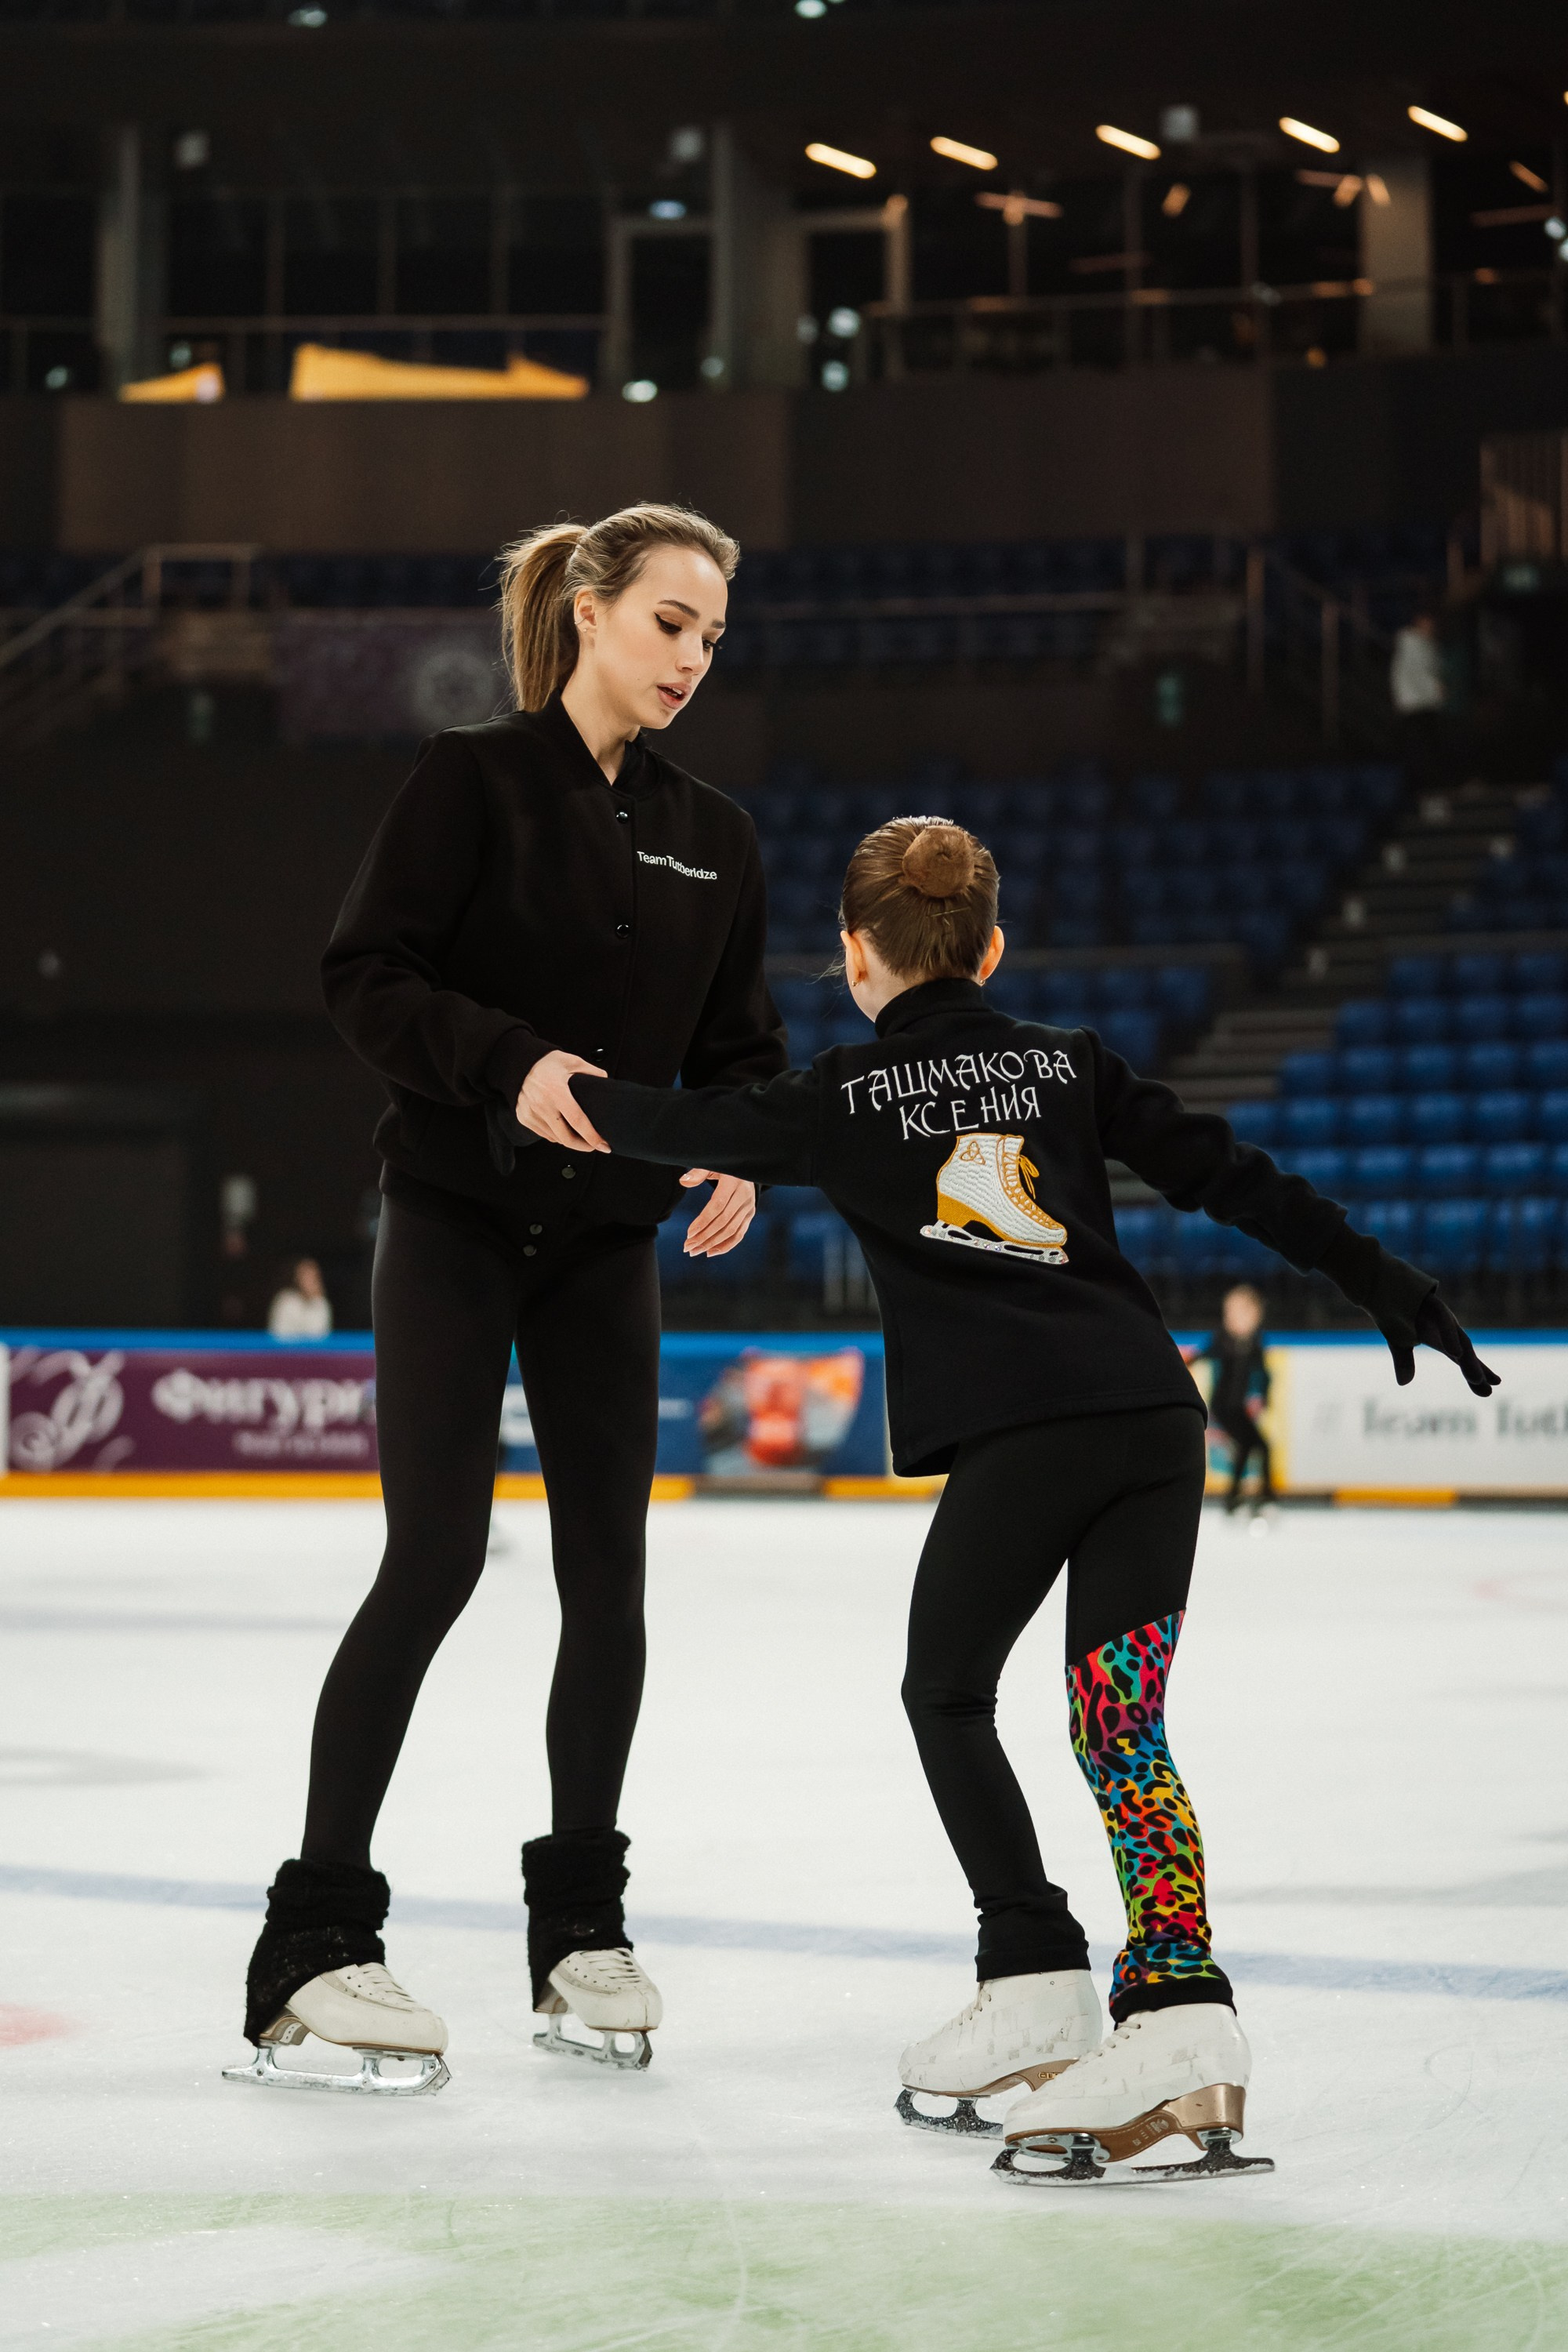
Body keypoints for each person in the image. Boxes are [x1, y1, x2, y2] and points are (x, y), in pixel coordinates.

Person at [542, 814, 1499, 2183]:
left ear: (855, 957)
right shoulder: (1068, 1064)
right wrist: (1391, 1284)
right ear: (992, 948)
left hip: (1028, 1439)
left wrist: (529, 1074)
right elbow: (1240, 1181)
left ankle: (1036, 1967)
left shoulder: (841, 1094)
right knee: (1121, 1726)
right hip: (1152, 1426)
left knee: (946, 1694)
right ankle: (1183, 2015)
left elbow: (664, 1122)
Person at [230, 503, 786, 2096]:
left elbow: (738, 1049)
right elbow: (368, 978)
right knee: (437, 1558)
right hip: (461, 1219)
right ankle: (312, 1948)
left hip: (606, 1247)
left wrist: (738, 1151)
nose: (694, 656)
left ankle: (579, 1937)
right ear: (595, 611)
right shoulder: (468, 782)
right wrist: (511, 1061)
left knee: (609, 1582)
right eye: (673, 622)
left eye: (713, 637)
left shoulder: (718, 835)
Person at [1185, 1283, 1272, 1518]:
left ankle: (1238, 1499)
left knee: (1253, 1446)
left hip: (1237, 1409)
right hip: (1224, 1408)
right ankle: (1260, 1498)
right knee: (1257, 1446)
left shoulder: (1255, 1342)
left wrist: (1264, 1396)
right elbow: (1200, 1356)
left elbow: (1264, 1374)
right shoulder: (1222, 1339)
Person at [267, 1257, 333, 1341]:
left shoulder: (321, 1304)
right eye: (305, 1275)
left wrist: (312, 1302)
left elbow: (320, 1336)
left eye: (313, 1276)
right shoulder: (285, 1300)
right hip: (286, 1353)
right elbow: (278, 1335)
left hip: (313, 1353)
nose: (309, 1280)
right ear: (297, 1278)